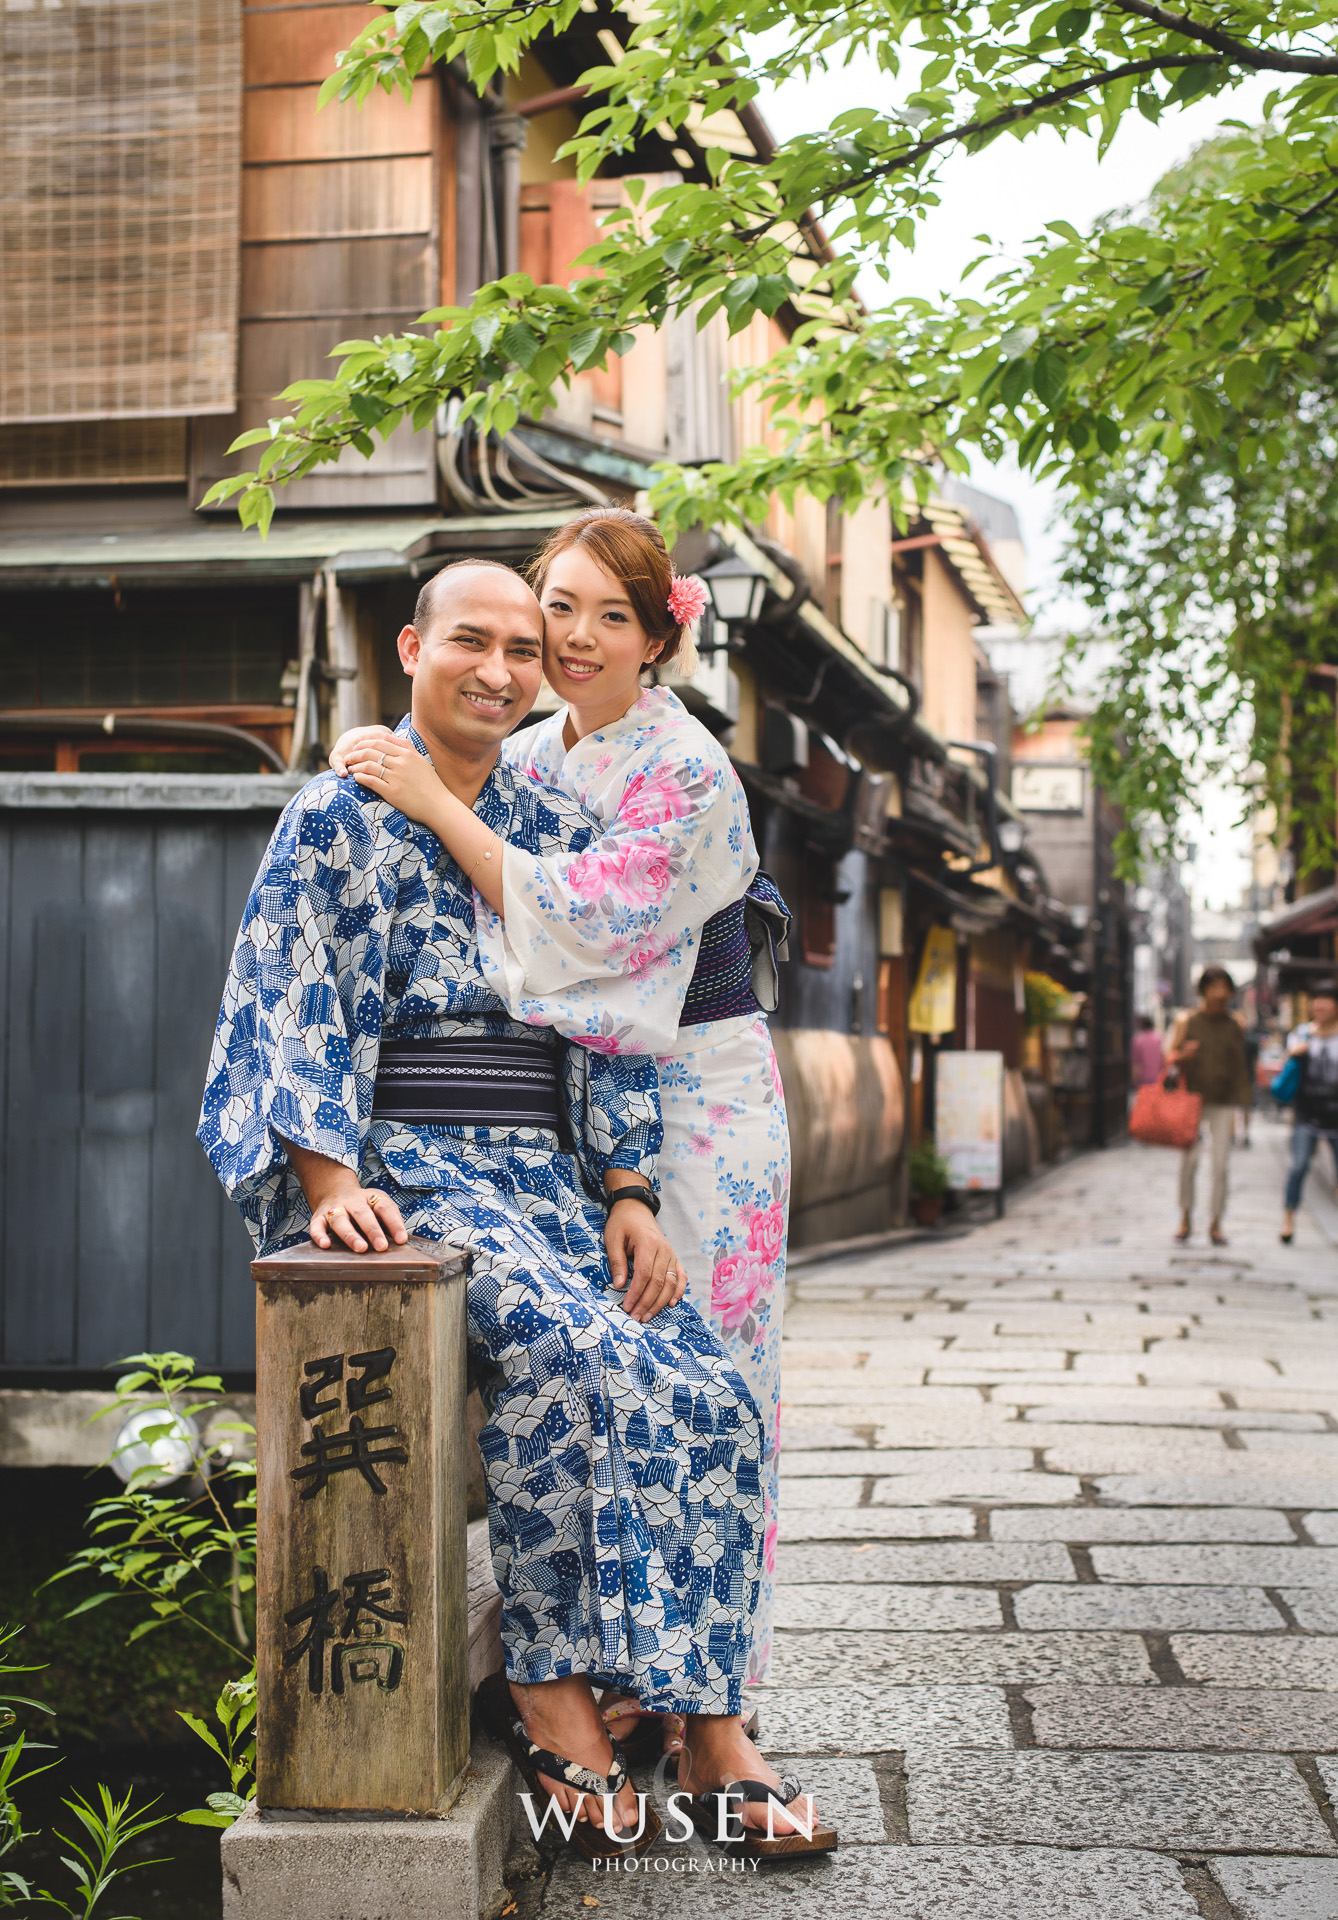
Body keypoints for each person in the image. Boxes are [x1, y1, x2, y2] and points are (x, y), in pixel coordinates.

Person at [199, 561, 830, 1857]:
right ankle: (551, 1693)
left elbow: (598, 1018)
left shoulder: (552, 813)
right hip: (417, 1159)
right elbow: (288, 995)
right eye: (469, 641)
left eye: (518, 650)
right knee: (558, 1353)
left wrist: (627, 1188)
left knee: (698, 1379)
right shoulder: (336, 815)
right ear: (410, 644)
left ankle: (706, 1717)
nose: (499, 668)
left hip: (550, 1169)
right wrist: (330, 1181)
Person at [330, 509, 792, 1735]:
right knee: (614, 1363)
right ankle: (634, 1676)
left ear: (658, 639)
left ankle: (717, 1711)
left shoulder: (686, 766)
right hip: (587, 1097)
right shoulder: (536, 754)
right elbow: (446, 774)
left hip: (697, 1078)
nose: (576, 639)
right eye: (562, 611)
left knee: (716, 1373)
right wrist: (399, 769)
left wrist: (432, 801)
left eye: (612, 617)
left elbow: (580, 924)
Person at [1167, 966, 1252, 1246]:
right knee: (1190, 1161)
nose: (1220, 993)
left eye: (1224, 987)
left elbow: (1239, 1065)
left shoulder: (1235, 1023)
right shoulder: (1186, 1020)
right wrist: (1182, 1055)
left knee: (1221, 1164)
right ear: (1203, 990)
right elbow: (1169, 1057)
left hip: (1223, 1099)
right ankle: (1186, 1216)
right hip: (1192, 1099)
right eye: (1214, 987)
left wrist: (1244, 1103)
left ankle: (1216, 1221)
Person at [1279, 980, 1338, 1244]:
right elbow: (1285, 1068)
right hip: (1306, 1113)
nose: (1320, 1005)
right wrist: (1294, 1054)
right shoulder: (1301, 1034)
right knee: (1298, 1166)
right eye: (1316, 999)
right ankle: (1288, 1218)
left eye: (1326, 999)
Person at [1131, 1016, 1164, 1089]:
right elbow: (1164, 1059)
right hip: (1158, 1079)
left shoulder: (1138, 1040)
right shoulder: (1160, 1039)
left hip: (1143, 1080)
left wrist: (1134, 1080)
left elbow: (1135, 1064)